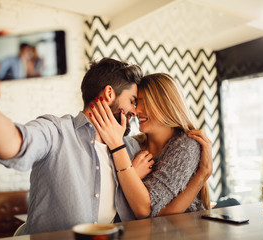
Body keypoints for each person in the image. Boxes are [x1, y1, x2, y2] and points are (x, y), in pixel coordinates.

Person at [0, 28, 212, 235]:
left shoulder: (133, 149)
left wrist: (132, 175)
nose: (135, 111)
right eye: (133, 101)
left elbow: (151, 204)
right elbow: (14, 143)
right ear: (109, 94)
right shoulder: (58, 132)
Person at [89, 73, 211, 218]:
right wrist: (133, 173)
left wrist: (203, 173)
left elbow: (156, 214)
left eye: (145, 102)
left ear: (165, 104)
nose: (136, 111)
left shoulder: (186, 145)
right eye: (135, 103)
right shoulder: (132, 144)